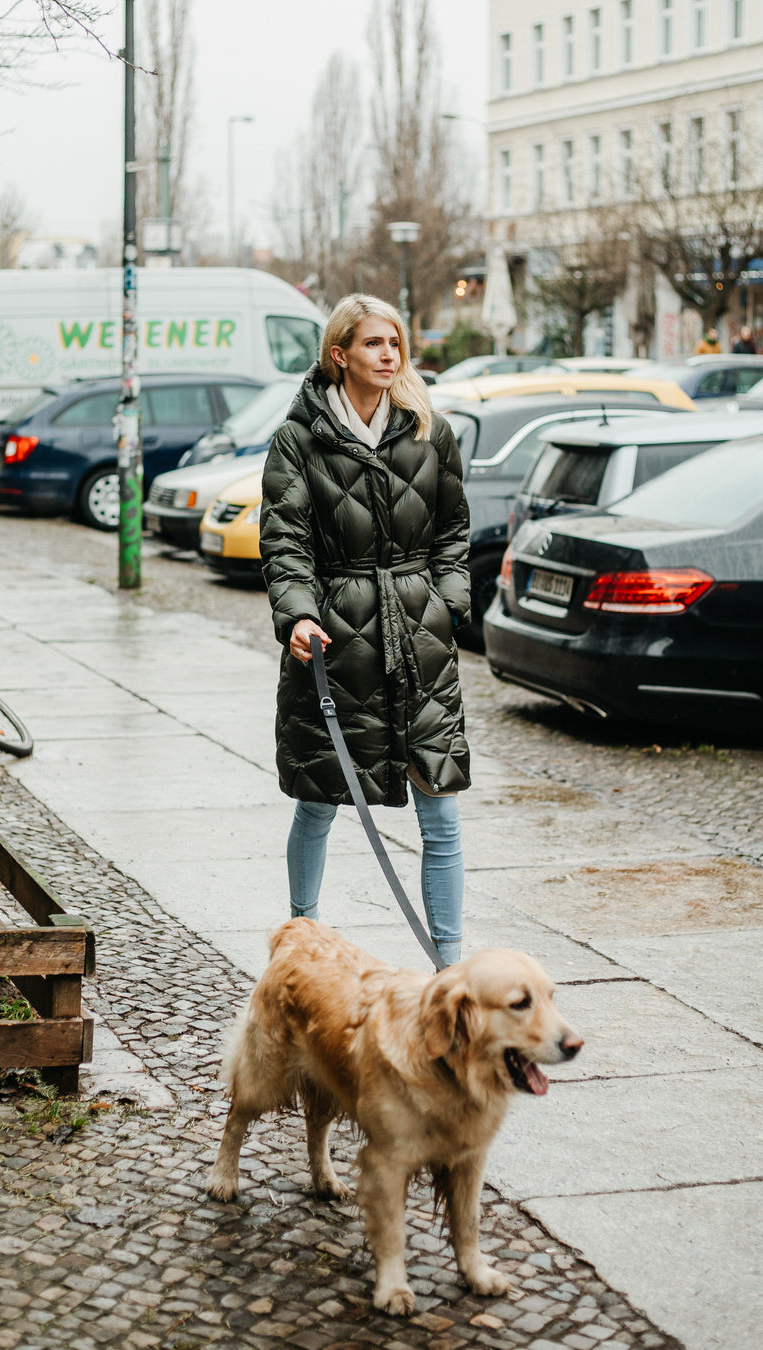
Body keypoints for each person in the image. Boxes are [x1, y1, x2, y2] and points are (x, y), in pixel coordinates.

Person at [259, 294, 471, 966]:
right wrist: (298, 614)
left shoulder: (428, 428)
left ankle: (449, 964)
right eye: (374, 344)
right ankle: (302, 940)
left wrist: (446, 602)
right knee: (320, 796)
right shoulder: (299, 437)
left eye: (396, 344)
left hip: (420, 638)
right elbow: (285, 538)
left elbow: (454, 529)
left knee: (441, 808)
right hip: (335, 641)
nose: (389, 355)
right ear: (339, 353)